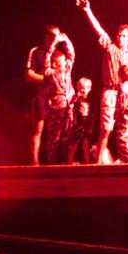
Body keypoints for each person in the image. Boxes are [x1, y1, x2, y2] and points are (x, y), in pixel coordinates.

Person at [76, 0, 128, 164]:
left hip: (127, 91)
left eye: (124, 35)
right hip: (111, 92)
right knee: (106, 129)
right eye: (119, 34)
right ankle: (97, 164)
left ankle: (127, 160)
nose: (120, 37)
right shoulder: (110, 48)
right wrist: (87, 10)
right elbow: (98, 29)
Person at [25, 25, 60, 165]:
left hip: (56, 96)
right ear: (47, 36)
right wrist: (46, 78)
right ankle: (35, 162)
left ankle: (53, 161)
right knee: (38, 128)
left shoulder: (58, 53)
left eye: (57, 36)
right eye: (53, 35)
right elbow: (28, 75)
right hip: (41, 95)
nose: (55, 39)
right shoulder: (36, 51)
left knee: (55, 131)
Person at [42, 31, 75, 164]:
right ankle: (52, 163)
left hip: (67, 107)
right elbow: (46, 58)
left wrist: (66, 40)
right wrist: (55, 43)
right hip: (55, 108)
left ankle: (66, 162)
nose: (65, 62)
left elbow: (71, 55)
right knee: (53, 137)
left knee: (67, 135)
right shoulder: (50, 72)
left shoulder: (67, 70)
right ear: (55, 64)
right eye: (61, 61)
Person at [66, 77, 94, 164]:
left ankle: (87, 163)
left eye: (85, 88)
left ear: (89, 89)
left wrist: (91, 127)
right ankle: (69, 162)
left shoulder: (90, 100)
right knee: (74, 145)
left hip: (86, 125)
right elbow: (71, 102)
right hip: (77, 125)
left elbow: (92, 114)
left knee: (85, 145)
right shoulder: (76, 98)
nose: (83, 90)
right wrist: (77, 95)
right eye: (80, 88)